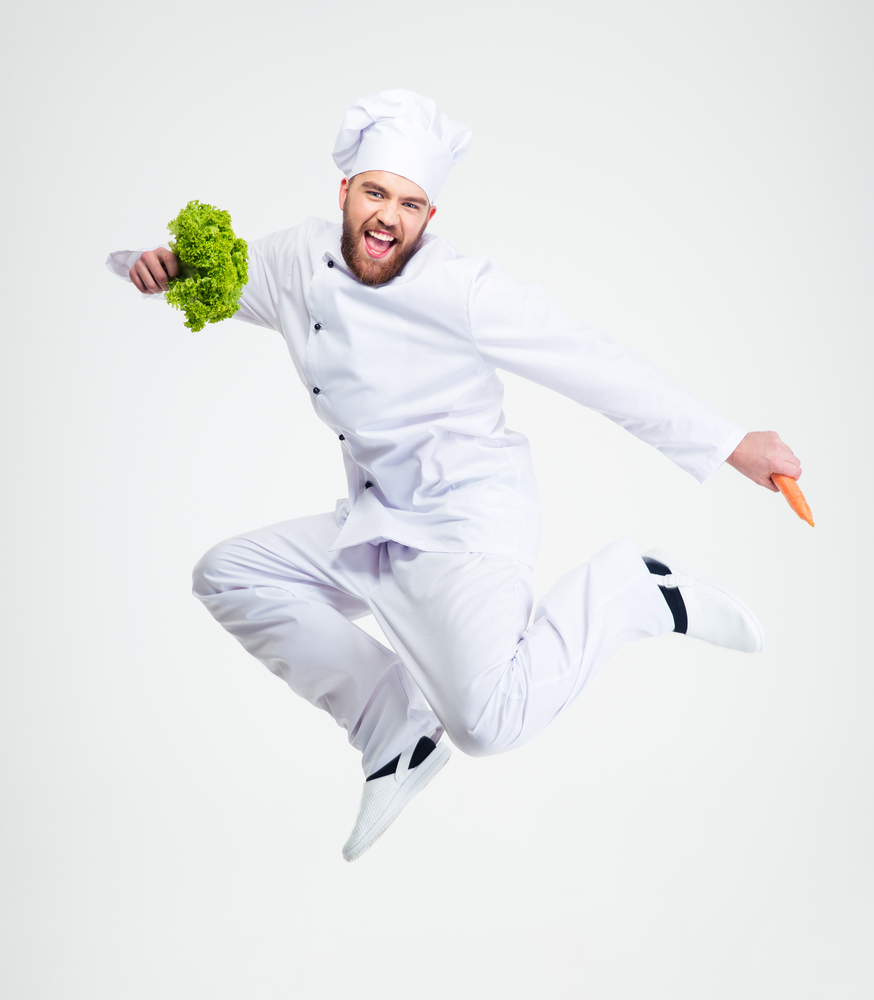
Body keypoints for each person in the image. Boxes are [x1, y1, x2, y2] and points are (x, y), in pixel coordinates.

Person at [106, 90, 802, 862]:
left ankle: (634, 590)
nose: (388, 217)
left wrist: (730, 441)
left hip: (465, 522)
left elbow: (592, 363)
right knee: (230, 575)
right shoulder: (294, 260)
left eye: (409, 204)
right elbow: (215, 278)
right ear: (345, 194)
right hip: (375, 521)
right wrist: (154, 268)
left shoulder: (462, 288)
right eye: (375, 194)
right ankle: (392, 728)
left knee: (487, 725)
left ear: (428, 219)